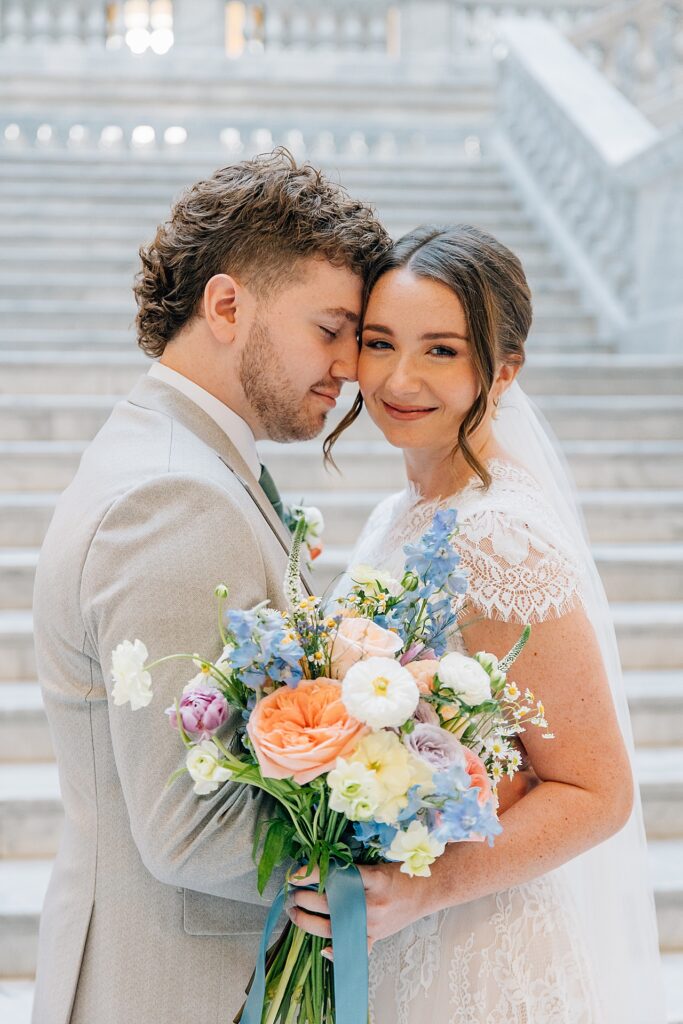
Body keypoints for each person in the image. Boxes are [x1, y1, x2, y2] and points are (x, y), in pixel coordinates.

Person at [31, 149, 389, 1024]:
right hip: (180, 990)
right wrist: (409, 833)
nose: (350, 368)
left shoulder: (180, 459)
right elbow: (190, 828)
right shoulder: (172, 497)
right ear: (227, 304)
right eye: (330, 327)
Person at [290, 224, 666, 1023]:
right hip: (399, 930)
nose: (398, 378)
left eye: (441, 351)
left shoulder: (493, 535)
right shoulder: (403, 512)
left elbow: (596, 790)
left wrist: (429, 887)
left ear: (501, 373)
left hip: (479, 952)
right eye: (381, 342)